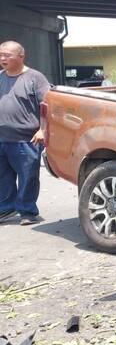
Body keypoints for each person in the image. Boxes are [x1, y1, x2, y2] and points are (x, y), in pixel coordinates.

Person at [0, 41, 50, 225]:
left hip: (26, 138)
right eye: (0, 55)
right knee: (3, 177)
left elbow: (48, 106)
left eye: (7, 55)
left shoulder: (35, 78)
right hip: (2, 138)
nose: (2, 59)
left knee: (28, 176)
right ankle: (5, 208)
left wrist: (43, 129)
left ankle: (27, 211)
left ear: (21, 56)